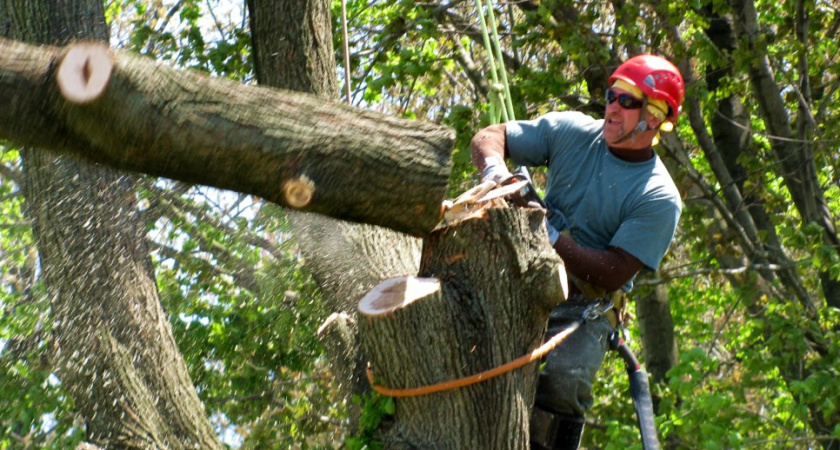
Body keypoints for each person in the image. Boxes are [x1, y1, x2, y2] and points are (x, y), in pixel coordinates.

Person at [470, 54, 684, 449]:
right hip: (524, 273)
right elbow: (489, 136)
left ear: (654, 116)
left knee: (565, 380)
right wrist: (496, 173)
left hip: (586, 303)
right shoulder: (571, 131)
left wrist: (549, 235)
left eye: (626, 101)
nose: (612, 107)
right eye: (611, 96)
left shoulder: (658, 196)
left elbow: (613, 271)